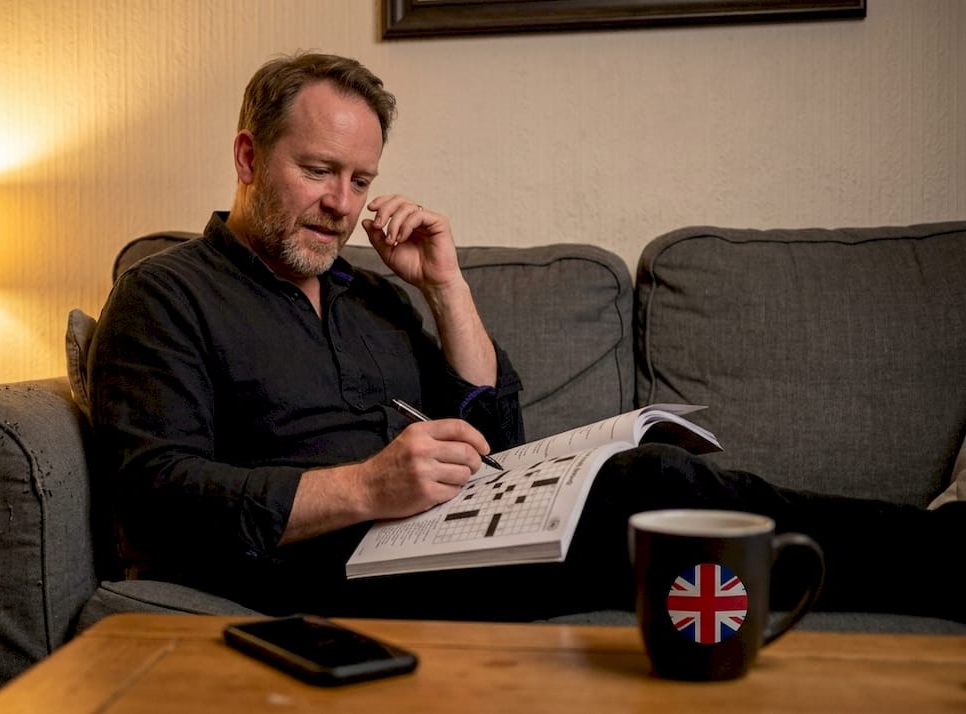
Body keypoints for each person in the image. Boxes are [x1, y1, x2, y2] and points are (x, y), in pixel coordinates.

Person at [89, 51, 963, 624]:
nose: (342, 205)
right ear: (248, 158)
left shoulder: (369, 294)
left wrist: (444, 285)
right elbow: (154, 493)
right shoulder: (166, 294)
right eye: (318, 171)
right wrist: (364, 487)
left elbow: (494, 433)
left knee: (646, 475)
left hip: (443, 535)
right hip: (317, 569)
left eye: (360, 180)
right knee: (649, 488)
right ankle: (945, 557)